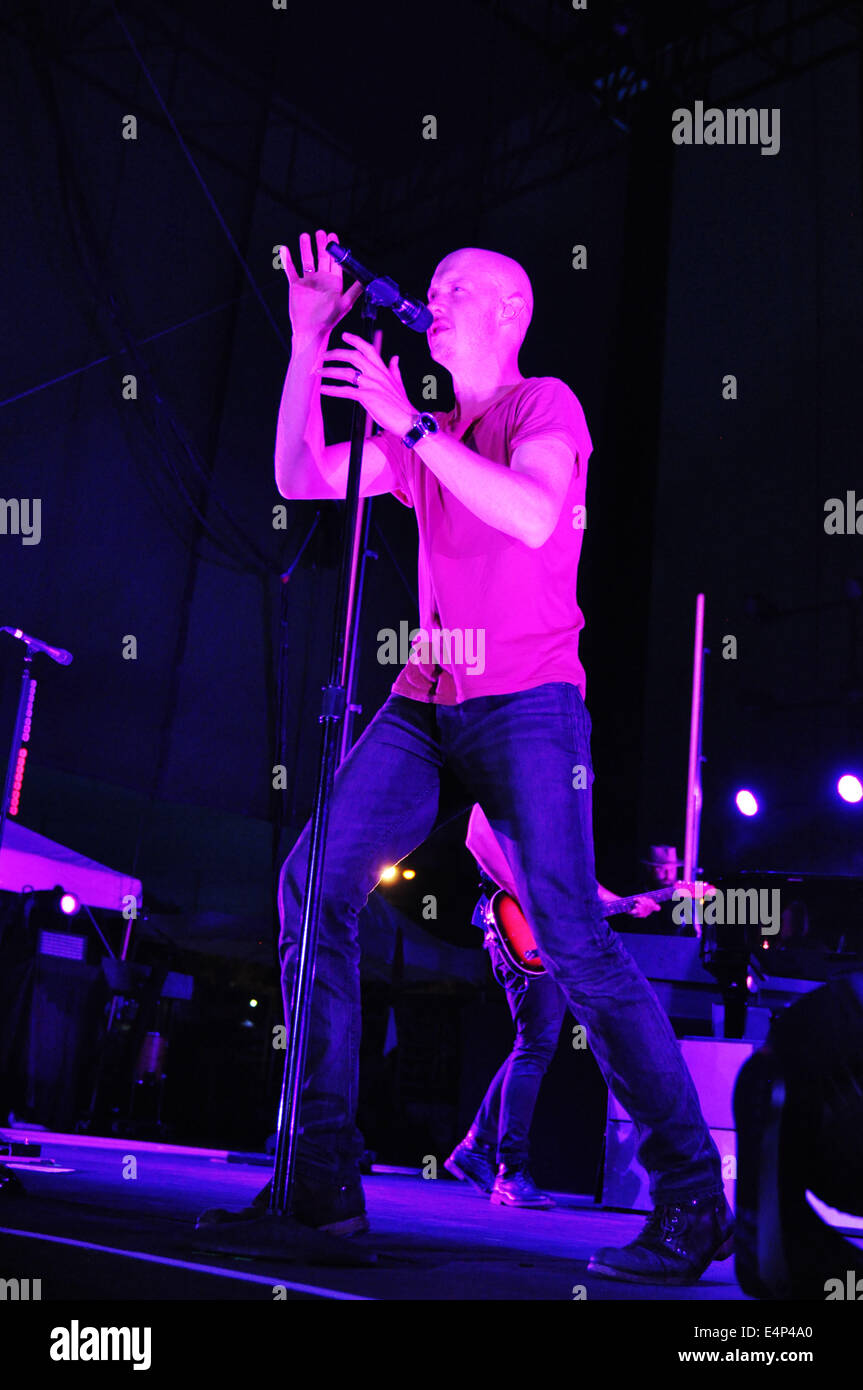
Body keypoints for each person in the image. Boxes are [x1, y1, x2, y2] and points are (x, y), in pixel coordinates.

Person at [200, 230, 732, 1285]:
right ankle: (319, 1182)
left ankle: (688, 1195)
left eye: (455, 289)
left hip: (529, 704)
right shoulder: (429, 430)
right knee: (312, 883)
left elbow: (532, 513)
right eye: (431, 286)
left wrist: (408, 424)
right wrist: (308, 342)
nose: (432, 300)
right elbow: (301, 472)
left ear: (509, 315)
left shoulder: (543, 406)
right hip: (425, 699)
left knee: (574, 941)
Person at [446, 804, 660, 1209]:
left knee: (530, 1046)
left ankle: (477, 1148)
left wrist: (622, 902)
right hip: (520, 928)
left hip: (540, 931)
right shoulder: (500, 791)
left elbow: (568, 877)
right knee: (534, 1047)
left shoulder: (547, 805)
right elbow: (477, 838)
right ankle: (510, 1170)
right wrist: (539, 906)